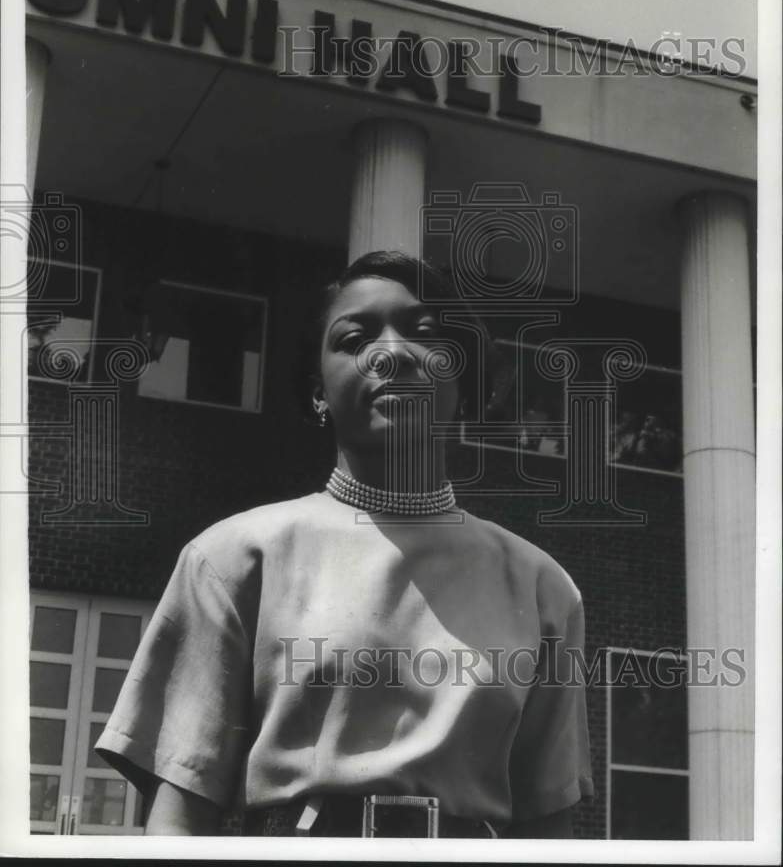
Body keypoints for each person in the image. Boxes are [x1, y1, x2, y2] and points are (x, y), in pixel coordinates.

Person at [95, 250, 593, 838]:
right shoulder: (232, 558)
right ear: (317, 392)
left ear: (465, 382)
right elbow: (182, 814)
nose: (392, 352)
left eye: (424, 333)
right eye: (355, 338)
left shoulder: (541, 586)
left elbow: (550, 829)